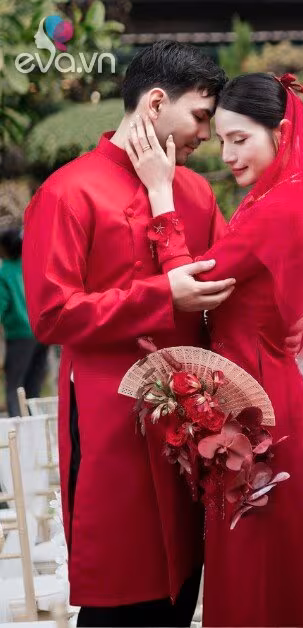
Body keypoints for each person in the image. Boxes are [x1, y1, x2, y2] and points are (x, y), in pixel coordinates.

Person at [22, 40, 229, 626]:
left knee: (185, 584)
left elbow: (226, 292)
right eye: (200, 116)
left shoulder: (195, 193)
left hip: (192, 421)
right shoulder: (68, 191)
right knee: (121, 588)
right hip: (109, 421)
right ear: (156, 103)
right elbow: (51, 314)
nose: (207, 135)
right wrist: (161, 295)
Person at [126, 71, 303, 625]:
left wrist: (160, 193)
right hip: (258, 398)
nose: (227, 155)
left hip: (261, 412)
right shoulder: (271, 199)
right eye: (221, 139)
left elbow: (193, 284)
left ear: (281, 134)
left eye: (240, 139)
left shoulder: (277, 208)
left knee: (257, 573)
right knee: (272, 572)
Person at [0, 229, 48, 417]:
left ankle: (19, 428)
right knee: (33, 386)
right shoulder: (32, 266)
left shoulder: (5, 273)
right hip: (42, 331)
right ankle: (36, 426)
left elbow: (2, 304)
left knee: (14, 386)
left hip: (20, 335)